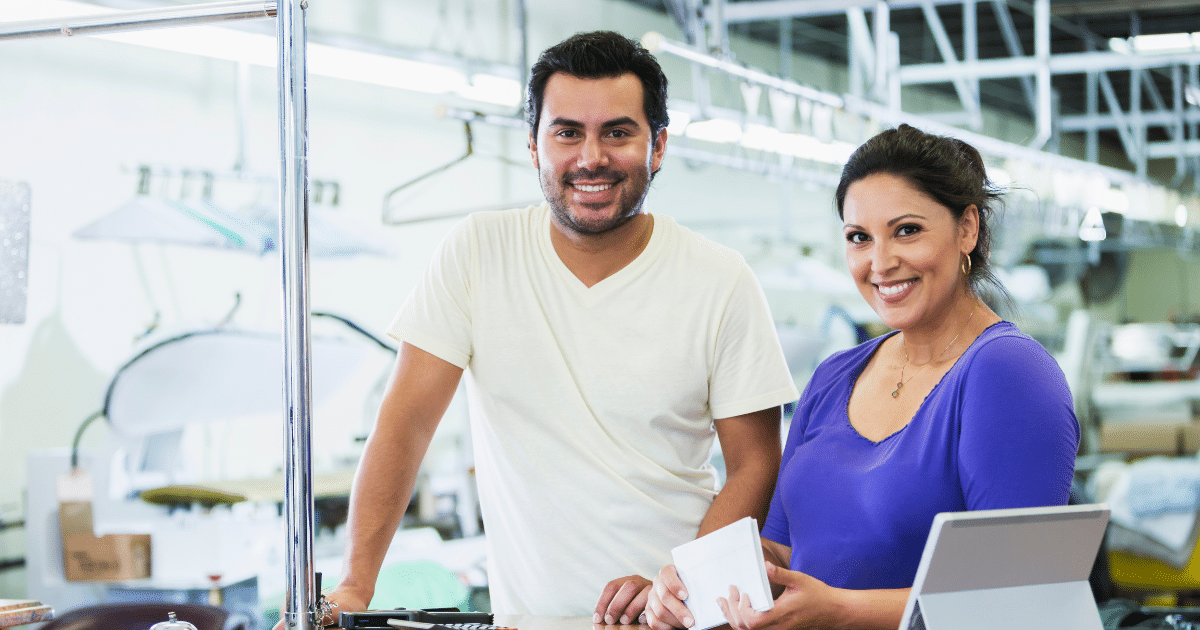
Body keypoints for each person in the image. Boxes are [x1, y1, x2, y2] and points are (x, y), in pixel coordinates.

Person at [300, 31, 799, 627]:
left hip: (677, 618)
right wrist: (355, 585)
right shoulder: (478, 252)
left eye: (617, 132)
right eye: (567, 133)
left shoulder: (719, 279)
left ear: (658, 146)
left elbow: (756, 464)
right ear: (534, 147)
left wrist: (683, 587)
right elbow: (406, 424)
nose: (591, 158)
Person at [646, 124, 1080, 630]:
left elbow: (1018, 599)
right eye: (859, 238)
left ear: (967, 228)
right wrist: (693, 584)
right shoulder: (834, 377)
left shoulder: (1007, 373)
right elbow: (781, 550)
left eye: (907, 231)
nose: (881, 263)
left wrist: (839, 611)